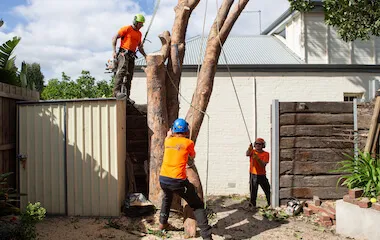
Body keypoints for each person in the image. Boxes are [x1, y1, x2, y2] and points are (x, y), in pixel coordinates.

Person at [159, 118, 213, 240]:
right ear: (186, 131)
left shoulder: (167, 141)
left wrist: (170, 135)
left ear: (173, 130)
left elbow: (169, 136)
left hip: (163, 179)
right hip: (177, 181)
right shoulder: (188, 143)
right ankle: (207, 236)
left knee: (167, 198)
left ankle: (162, 224)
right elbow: (192, 156)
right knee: (197, 204)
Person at [112, 14, 147, 102]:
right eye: (140, 24)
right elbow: (115, 38)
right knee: (122, 71)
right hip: (124, 53)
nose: (141, 26)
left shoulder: (139, 34)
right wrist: (114, 51)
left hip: (132, 56)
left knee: (129, 75)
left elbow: (140, 47)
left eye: (142, 24)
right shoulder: (127, 29)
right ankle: (116, 92)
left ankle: (127, 97)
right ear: (135, 22)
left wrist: (146, 56)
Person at [246, 138, 271, 208]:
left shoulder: (266, 154)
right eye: (256, 143)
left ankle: (270, 204)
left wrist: (257, 159)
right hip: (253, 175)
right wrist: (249, 148)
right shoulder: (252, 151)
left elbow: (263, 165)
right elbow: (247, 154)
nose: (257, 145)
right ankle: (252, 206)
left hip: (262, 175)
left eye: (259, 144)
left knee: (267, 190)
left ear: (263, 145)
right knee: (253, 191)